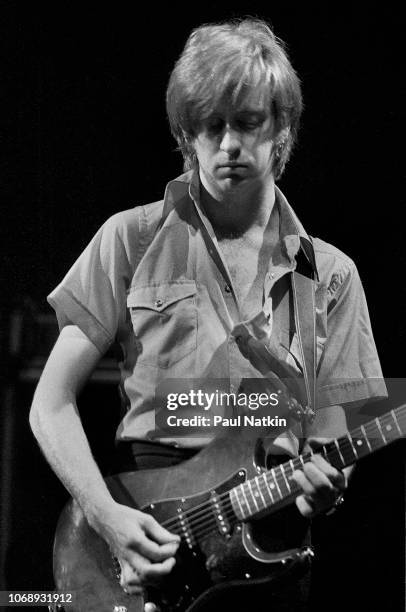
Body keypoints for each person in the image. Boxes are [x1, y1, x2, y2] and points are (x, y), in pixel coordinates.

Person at [30, 18, 386, 611]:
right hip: (149, 529)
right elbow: (51, 403)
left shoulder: (331, 275)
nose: (228, 146)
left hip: (269, 549)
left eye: (247, 123)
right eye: (210, 126)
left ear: (282, 130)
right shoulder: (130, 238)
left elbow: (333, 444)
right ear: (186, 134)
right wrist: (108, 516)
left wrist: (317, 497)